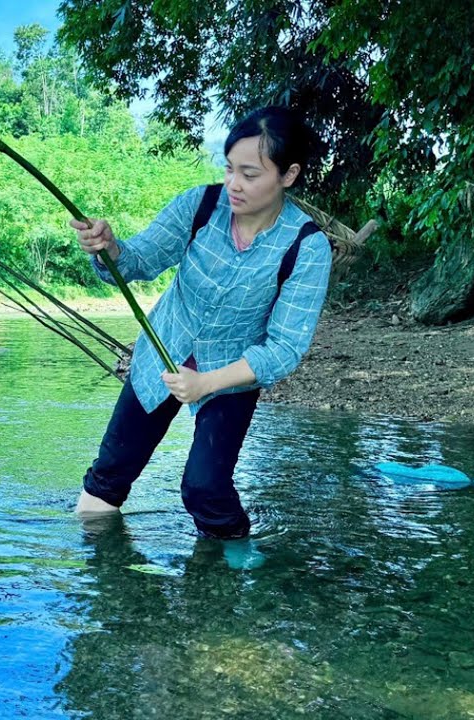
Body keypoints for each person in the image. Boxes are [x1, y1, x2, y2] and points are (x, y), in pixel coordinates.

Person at [70, 106, 333, 539]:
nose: (233, 184)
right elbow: (139, 259)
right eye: (229, 169)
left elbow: (284, 350)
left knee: (204, 488)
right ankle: (98, 577)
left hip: (231, 373)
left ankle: (235, 565)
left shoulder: (307, 247)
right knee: (110, 473)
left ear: (288, 175)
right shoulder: (201, 205)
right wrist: (109, 248)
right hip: (163, 349)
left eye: (250, 174)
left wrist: (207, 383)